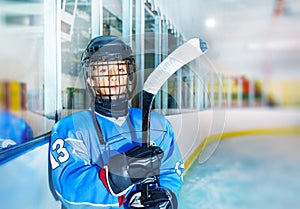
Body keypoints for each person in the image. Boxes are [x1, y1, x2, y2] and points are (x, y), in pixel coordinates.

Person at [49, 35, 184, 209]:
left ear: (129, 76)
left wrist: (165, 195)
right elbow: (69, 189)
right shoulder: (71, 129)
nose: (113, 78)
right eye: (104, 71)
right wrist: (119, 177)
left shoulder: (158, 125)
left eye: (120, 70)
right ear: (90, 79)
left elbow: (171, 170)